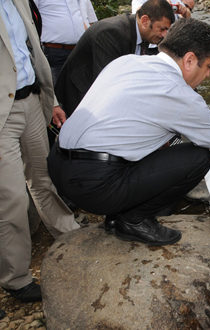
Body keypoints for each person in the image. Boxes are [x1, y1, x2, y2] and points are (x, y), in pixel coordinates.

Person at [47, 18, 210, 247]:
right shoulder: (180, 94)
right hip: (94, 186)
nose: (209, 74)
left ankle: (116, 216)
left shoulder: (127, 62)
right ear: (190, 60)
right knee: (198, 157)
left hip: (57, 164)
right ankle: (134, 220)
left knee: (165, 143)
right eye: (209, 66)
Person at [1, 0, 80, 302]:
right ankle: (15, 278)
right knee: (11, 198)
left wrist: (52, 100)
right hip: (2, 114)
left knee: (43, 177)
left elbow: (31, 51)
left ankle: (67, 232)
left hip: (32, 100)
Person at [54, 0, 175, 119]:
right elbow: (108, 83)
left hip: (99, 95)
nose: (164, 35)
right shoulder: (112, 33)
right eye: (162, 29)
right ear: (144, 21)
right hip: (79, 96)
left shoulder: (144, 33)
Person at [35, 0, 86, 85]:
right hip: (55, 51)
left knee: (81, 91)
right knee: (57, 90)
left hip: (78, 50)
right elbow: (30, 17)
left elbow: (79, 15)